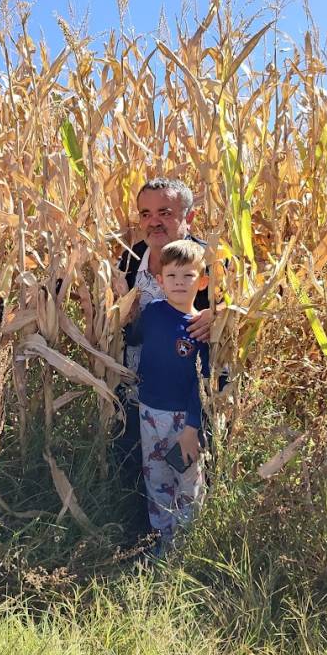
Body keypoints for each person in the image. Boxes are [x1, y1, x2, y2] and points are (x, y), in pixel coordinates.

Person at [114, 178, 214, 537]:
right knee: (148, 468)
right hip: (139, 394)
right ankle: (148, 530)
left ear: (189, 216)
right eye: (146, 213)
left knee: (191, 473)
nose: (154, 221)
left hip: (189, 395)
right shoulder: (128, 258)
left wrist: (220, 313)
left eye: (165, 213)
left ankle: (191, 540)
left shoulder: (207, 261)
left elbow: (246, 306)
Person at [123, 239, 211, 552]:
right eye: (171, 276)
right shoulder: (153, 313)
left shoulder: (202, 329)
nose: (178, 283)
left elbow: (204, 385)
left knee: (188, 485)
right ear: (160, 281)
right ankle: (162, 542)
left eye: (187, 277)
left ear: (202, 282)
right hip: (149, 412)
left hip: (181, 420)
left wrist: (191, 429)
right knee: (156, 479)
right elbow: (129, 334)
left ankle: (186, 548)